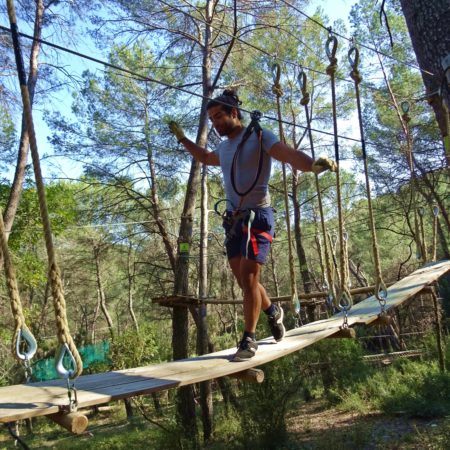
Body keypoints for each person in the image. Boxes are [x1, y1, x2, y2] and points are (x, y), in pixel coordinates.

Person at [168, 90, 336, 362]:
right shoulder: (224, 148)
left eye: (219, 116)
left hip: (258, 217)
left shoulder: (259, 136)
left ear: (234, 113)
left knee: (248, 278)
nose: (215, 123)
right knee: (245, 281)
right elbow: (205, 157)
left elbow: (287, 154)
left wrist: (311, 165)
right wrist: (182, 139)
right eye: (212, 119)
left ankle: (249, 338)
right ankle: (272, 311)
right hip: (233, 221)